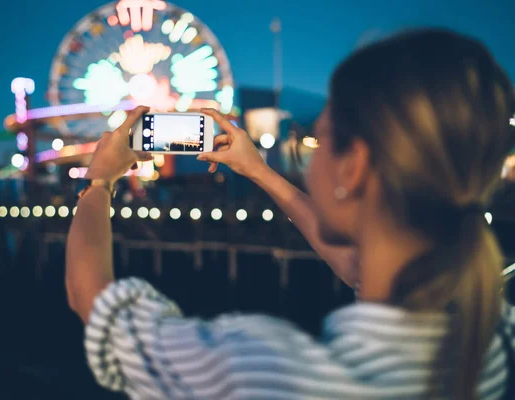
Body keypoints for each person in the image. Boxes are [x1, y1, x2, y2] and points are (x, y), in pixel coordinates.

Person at [66, 29, 515, 399]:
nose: (306, 160)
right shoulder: (492, 331)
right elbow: (358, 267)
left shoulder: (269, 373)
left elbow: (97, 304)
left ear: (354, 165)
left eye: (313, 142)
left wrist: (99, 182)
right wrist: (259, 172)